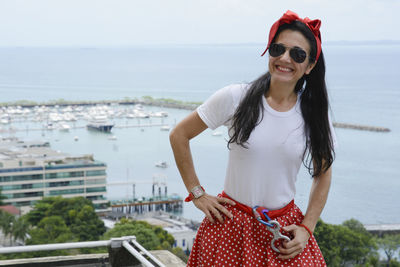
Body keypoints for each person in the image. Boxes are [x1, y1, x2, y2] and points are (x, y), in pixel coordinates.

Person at [169, 10, 336, 266]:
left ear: (310, 65)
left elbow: (323, 173)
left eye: (298, 54)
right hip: (229, 228)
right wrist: (198, 194)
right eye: (278, 48)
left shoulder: (315, 116)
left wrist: (307, 227)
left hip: (283, 234)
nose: (284, 58)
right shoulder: (236, 97)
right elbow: (180, 134)